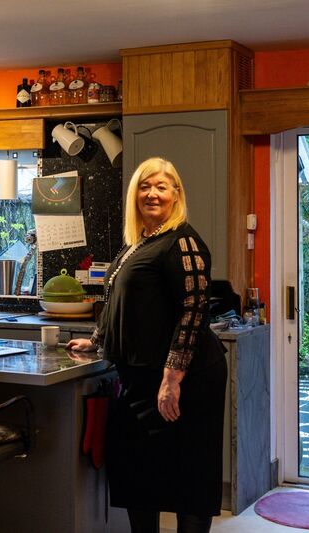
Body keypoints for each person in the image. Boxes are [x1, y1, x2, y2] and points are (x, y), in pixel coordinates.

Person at [68, 157, 228, 533]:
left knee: (190, 478)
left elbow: (193, 312)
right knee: (139, 476)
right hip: (139, 377)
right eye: (144, 186)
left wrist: (172, 379)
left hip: (187, 378)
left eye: (161, 186)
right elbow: (121, 303)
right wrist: (97, 340)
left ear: (176, 194)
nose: (152, 194)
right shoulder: (137, 245)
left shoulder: (183, 241)